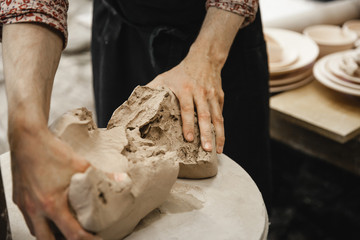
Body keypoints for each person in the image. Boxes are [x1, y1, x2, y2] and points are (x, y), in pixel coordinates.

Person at [0, 0, 271, 239]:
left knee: (232, 208)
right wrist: (26, 128)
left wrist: (208, 58)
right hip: (122, 23)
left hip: (216, 29)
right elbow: (34, 4)